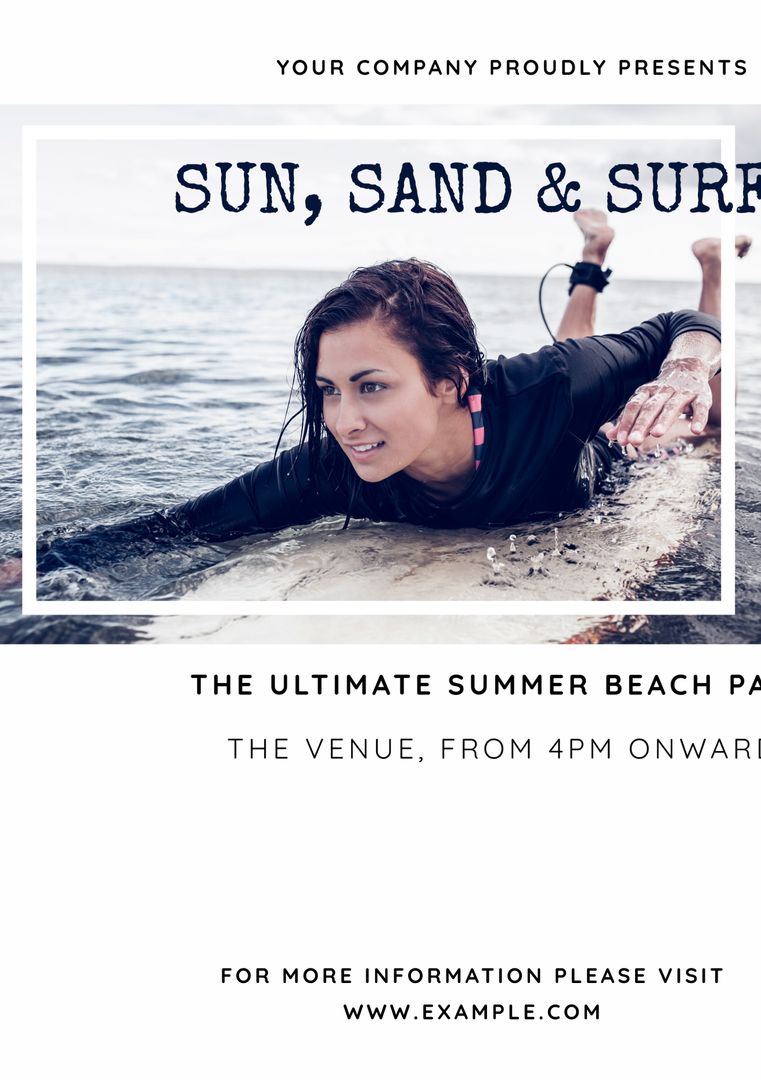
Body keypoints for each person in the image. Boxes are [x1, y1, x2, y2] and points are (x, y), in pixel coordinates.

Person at [32, 209, 741, 576]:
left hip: (588, 438)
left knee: (704, 414)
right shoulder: (328, 468)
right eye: (328, 390)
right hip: (544, 391)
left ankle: (712, 264)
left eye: (370, 386)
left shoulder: (548, 388)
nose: (345, 420)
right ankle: (593, 255)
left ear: (450, 381)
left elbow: (680, 327)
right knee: (572, 347)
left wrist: (680, 372)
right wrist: (30, 566)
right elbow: (180, 526)